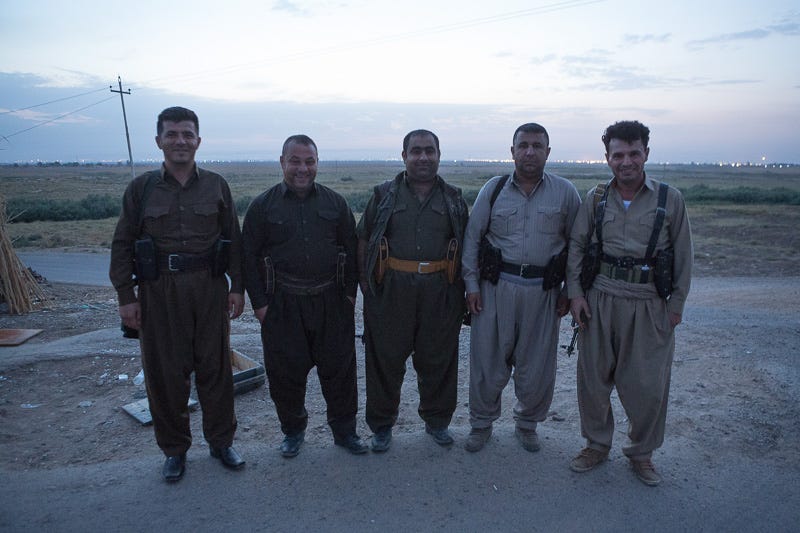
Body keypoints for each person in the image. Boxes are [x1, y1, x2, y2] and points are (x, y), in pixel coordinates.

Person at [110, 106, 245, 482]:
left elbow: (233, 239)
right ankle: (174, 450)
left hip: (208, 287)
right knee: (166, 375)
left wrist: (238, 287)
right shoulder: (141, 189)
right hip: (159, 291)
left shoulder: (216, 185)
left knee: (215, 370)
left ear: (198, 141)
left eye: (187, 134)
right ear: (159, 141)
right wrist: (126, 297)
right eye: (172, 134)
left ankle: (221, 443)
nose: (180, 141)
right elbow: (121, 245)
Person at [565, 120, 693, 486]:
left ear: (646, 154)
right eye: (618, 154)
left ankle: (642, 453)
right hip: (599, 299)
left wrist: (675, 306)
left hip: (648, 302)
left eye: (634, 153)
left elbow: (684, 256)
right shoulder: (595, 198)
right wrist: (575, 294)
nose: (626, 161)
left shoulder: (671, 200)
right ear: (607, 159)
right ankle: (596, 445)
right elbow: (577, 247)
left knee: (648, 386)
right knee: (593, 381)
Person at [242, 135, 367, 457]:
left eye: (309, 161)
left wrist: (349, 298)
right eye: (295, 161)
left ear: (317, 163)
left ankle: (345, 433)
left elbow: (352, 253)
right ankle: (293, 432)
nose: (302, 168)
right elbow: (248, 258)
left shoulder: (335, 204)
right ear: (282, 162)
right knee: (286, 377)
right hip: (282, 304)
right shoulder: (263, 206)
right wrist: (260, 306)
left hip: (331, 301)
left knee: (340, 374)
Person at [461, 123, 581, 453]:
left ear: (548, 152)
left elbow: (577, 245)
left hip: (543, 293)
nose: (530, 151)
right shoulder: (493, 189)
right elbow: (472, 238)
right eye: (523, 145)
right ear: (511, 151)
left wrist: (569, 290)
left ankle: (527, 425)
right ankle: (481, 425)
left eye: (537, 146)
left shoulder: (566, 193)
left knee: (537, 366)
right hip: (495, 289)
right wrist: (471, 285)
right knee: (487, 362)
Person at [357, 129, 468, 452]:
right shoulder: (383, 195)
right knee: (384, 362)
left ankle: (437, 422)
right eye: (416, 151)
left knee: (439, 360)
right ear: (404, 156)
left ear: (438, 154)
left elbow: (465, 244)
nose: (423, 157)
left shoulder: (454, 198)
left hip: (440, 290)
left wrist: (462, 290)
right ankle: (381, 426)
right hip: (392, 289)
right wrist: (366, 285)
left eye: (429, 151)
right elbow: (363, 238)